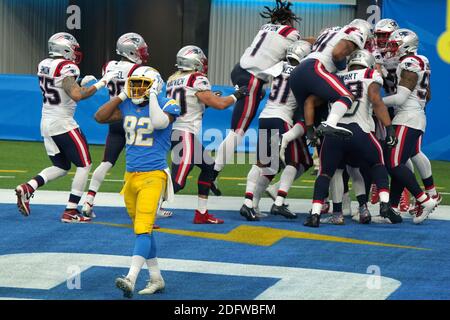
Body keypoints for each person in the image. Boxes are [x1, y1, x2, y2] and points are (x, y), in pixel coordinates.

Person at [95, 66, 180, 298]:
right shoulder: (127, 103)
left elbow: (160, 123)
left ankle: (130, 278)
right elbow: (99, 117)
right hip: (130, 176)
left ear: (154, 86)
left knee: (143, 229)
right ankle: (156, 278)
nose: (136, 88)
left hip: (154, 175)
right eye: (135, 83)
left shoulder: (167, 103)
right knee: (142, 230)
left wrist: (152, 96)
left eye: (143, 84)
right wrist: (121, 96)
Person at [15, 32, 117, 223]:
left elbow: (63, 87)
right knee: (85, 164)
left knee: (61, 166)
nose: (76, 53)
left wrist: (81, 83)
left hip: (46, 121)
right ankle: (71, 211)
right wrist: (102, 83)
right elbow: (77, 95)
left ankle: (28, 187)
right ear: (64, 48)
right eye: (73, 49)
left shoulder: (44, 64)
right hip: (63, 122)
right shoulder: (67, 67)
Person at [300, 49, 402, 227]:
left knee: (326, 173)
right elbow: (376, 100)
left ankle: (316, 214)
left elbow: (309, 102)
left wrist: (309, 129)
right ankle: (383, 204)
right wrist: (389, 128)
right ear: (368, 62)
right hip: (360, 131)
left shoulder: (337, 76)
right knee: (376, 163)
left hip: (334, 134)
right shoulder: (371, 74)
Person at [212, 0, 303, 184]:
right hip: (253, 78)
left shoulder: (264, 28)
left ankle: (212, 172)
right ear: (288, 21)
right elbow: (297, 51)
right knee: (238, 132)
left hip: (239, 71)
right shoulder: (291, 33)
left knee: (243, 116)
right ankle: (212, 174)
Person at [166, 45, 248, 224]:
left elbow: (189, 103)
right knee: (177, 182)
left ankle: (201, 213)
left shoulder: (173, 79)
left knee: (208, 167)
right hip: (184, 133)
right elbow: (220, 105)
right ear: (194, 62)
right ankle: (146, 207)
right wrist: (237, 95)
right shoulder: (197, 78)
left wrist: (211, 99)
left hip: (178, 131)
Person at [240, 40, 313, 221]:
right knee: (293, 162)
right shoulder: (303, 72)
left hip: (266, 116)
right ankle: (279, 202)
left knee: (263, 163)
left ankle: (249, 203)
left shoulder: (278, 66)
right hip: (283, 118)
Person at [82, 33, 148, 218]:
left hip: (113, 119)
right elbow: (141, 96)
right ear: (132, 51)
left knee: (106, 162)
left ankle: (89, 200)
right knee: (144, 164)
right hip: (132, 119)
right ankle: (150, 206)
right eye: (141, 50)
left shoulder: (109, 65)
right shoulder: (138, 70)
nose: (143, 53)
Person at [382, 29, 438, 224]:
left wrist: (374, 103)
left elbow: (400, 98)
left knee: (394, 163)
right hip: (414, 116)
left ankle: (425, 199)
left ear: (406, 44)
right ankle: (394, 208)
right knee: (401, 163)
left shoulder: (409, 63)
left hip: (407, 118)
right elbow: (428, 95)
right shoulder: (421, 61)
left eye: (395, 44)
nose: (391, 48)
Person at [289, 19, 372, 140]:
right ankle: (330, 124)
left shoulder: (330, 31)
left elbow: (311, 41)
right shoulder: (354, 32)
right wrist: (343, 69)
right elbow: (337, 54)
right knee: (346, 96)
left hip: (295, 77)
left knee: (313, 125)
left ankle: (281, 142)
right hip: (314, 68)